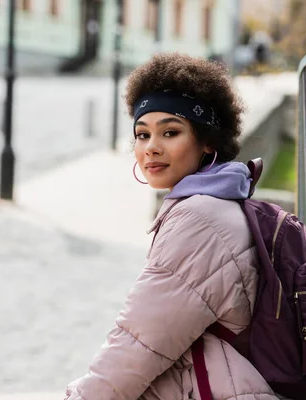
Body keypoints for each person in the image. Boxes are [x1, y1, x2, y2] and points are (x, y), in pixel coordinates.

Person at [64, 53, 280, 400]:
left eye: (170, 132)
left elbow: (139, 344)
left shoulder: (199, 218)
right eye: (142, 134)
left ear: (207, 141)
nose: (152, 148)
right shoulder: (222, 204)